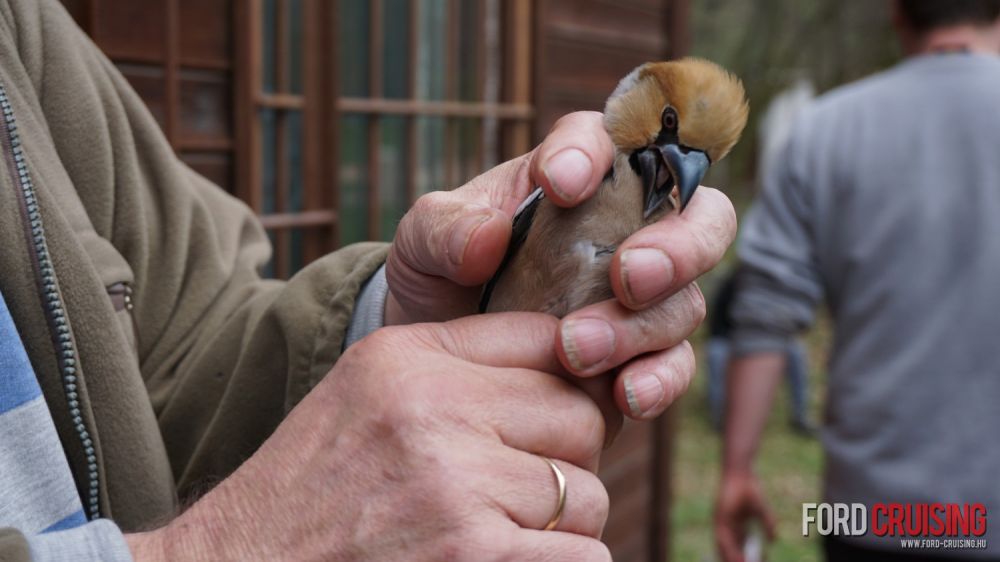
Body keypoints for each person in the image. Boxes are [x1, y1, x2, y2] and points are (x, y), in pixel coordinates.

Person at [0, 0, 737, 560]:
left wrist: (392, 323)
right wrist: (231, 545)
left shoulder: (22, 39)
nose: (681, 167)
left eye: (701, 160)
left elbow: (182, 339)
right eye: (670, 126)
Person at [714, 1, 1000, 561]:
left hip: (871, 512)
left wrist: (737, 470)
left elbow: (766, 311)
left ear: (897, 15)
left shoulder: (825, 128)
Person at [704, 270, 813, 435]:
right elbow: (716, 323)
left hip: (765, 339)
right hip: (728, 337)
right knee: (716, 354)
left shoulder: (777, 286)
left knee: (796, 351)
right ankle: (721, 416)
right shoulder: (732, 283)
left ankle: (800, 416)